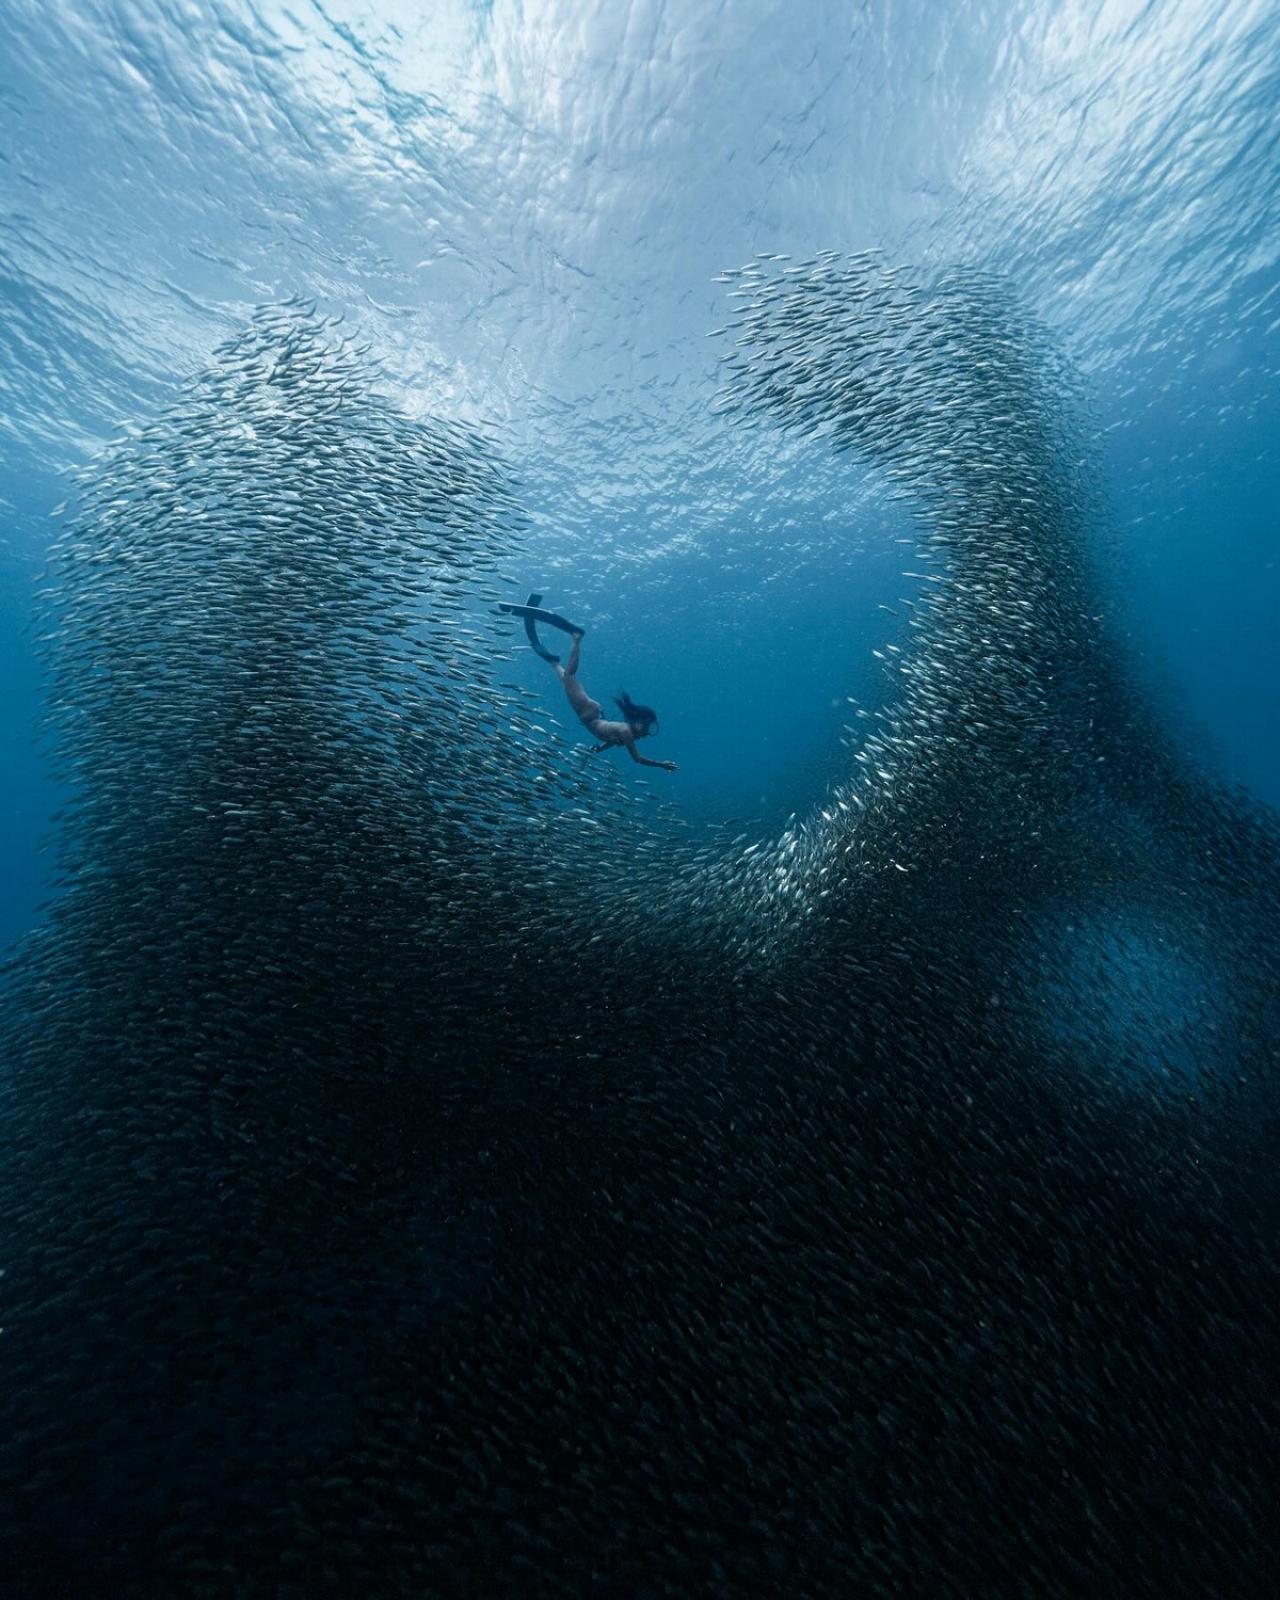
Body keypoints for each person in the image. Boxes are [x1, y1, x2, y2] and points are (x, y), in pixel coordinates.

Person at [554, 630, 677, 770]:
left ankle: (554, 663)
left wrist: (600, 749)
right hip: (589, 713)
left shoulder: (626, 733)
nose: (647, 733)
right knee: (569, 677)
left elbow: (611, 738)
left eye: (651, 730)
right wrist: (662, 765)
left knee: (568, 682)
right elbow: (637, 759)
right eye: (648, 727)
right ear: (638, 722)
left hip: (592, 715)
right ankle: (576, 638)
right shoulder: (626, 731)